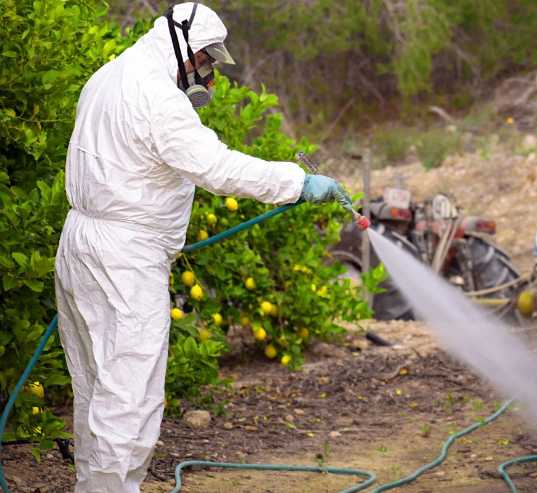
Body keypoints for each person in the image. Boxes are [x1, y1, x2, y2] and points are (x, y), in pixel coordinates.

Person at [53, 2, 350, 492]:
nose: (208, 75)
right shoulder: (158, 99)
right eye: (205, 62)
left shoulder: (109, 75)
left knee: (95, 386)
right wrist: (298, 182)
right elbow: (218, 167)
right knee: (130, 395)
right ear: (181, 47)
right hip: (125, 258)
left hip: (82, 244)